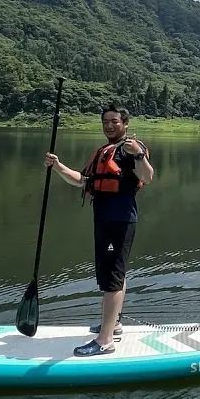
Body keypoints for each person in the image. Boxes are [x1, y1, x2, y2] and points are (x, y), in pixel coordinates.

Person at [43, 104, 154, 356]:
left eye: (115, 121)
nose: (109, 125)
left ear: (125, 124)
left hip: (119, 221)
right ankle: (113, 325)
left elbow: (147, 177)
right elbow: (82, 181)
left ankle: (104, 341)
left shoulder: (130, 149)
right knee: (116, 273)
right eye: (106, 121)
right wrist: (58, 166)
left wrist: (138, 154)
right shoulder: (104, 151)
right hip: (104, 220)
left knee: (111, 278)